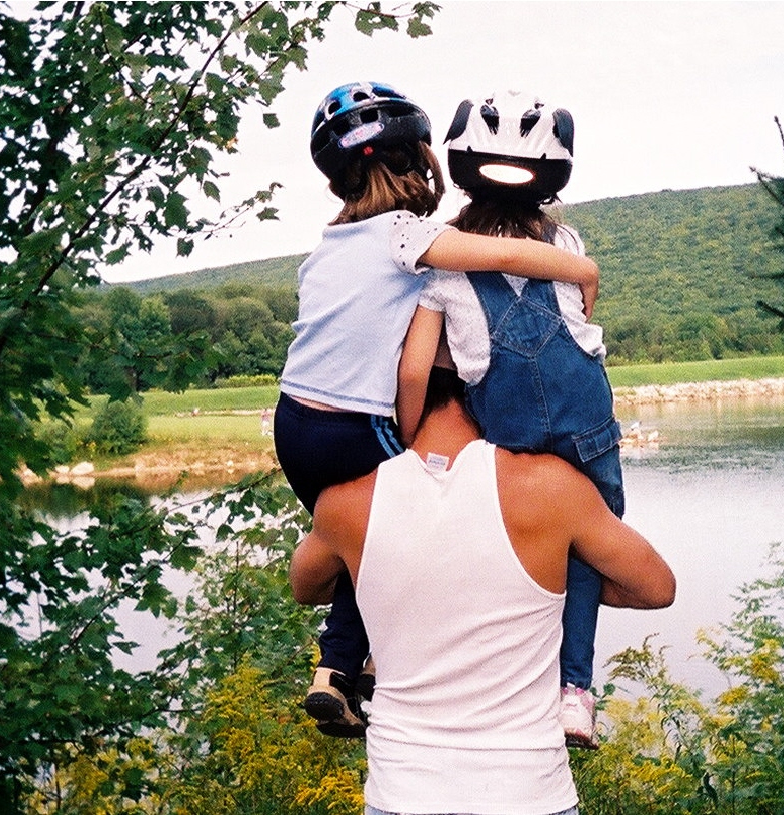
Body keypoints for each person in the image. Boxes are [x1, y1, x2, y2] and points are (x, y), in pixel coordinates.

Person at [274, 81, 601, 737]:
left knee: (361, 545)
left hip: (292, 424)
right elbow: (505, 254)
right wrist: (581, 271)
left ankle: (342, 668)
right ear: (415, 162)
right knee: (399, 528)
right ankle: (342, 667)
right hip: (354, 422)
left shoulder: (322, 250)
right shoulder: (405, 233)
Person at [289, 353, 675, 815]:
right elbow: (656, 587)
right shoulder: (551, 488)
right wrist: (545, 587)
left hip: (402, 790)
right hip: (527, 791)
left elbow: (306, 587)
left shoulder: (346, 505)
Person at [396, 89, 621, 747]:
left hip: (510, 435)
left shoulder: (444, 260)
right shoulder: (567, 240)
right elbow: (583, 295)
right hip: (588, 420)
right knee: (588, 544)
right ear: (548, 184)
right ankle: (572, 692)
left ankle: (476, 679)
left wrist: (408, 439)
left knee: (508, 546)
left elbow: (414, 371)